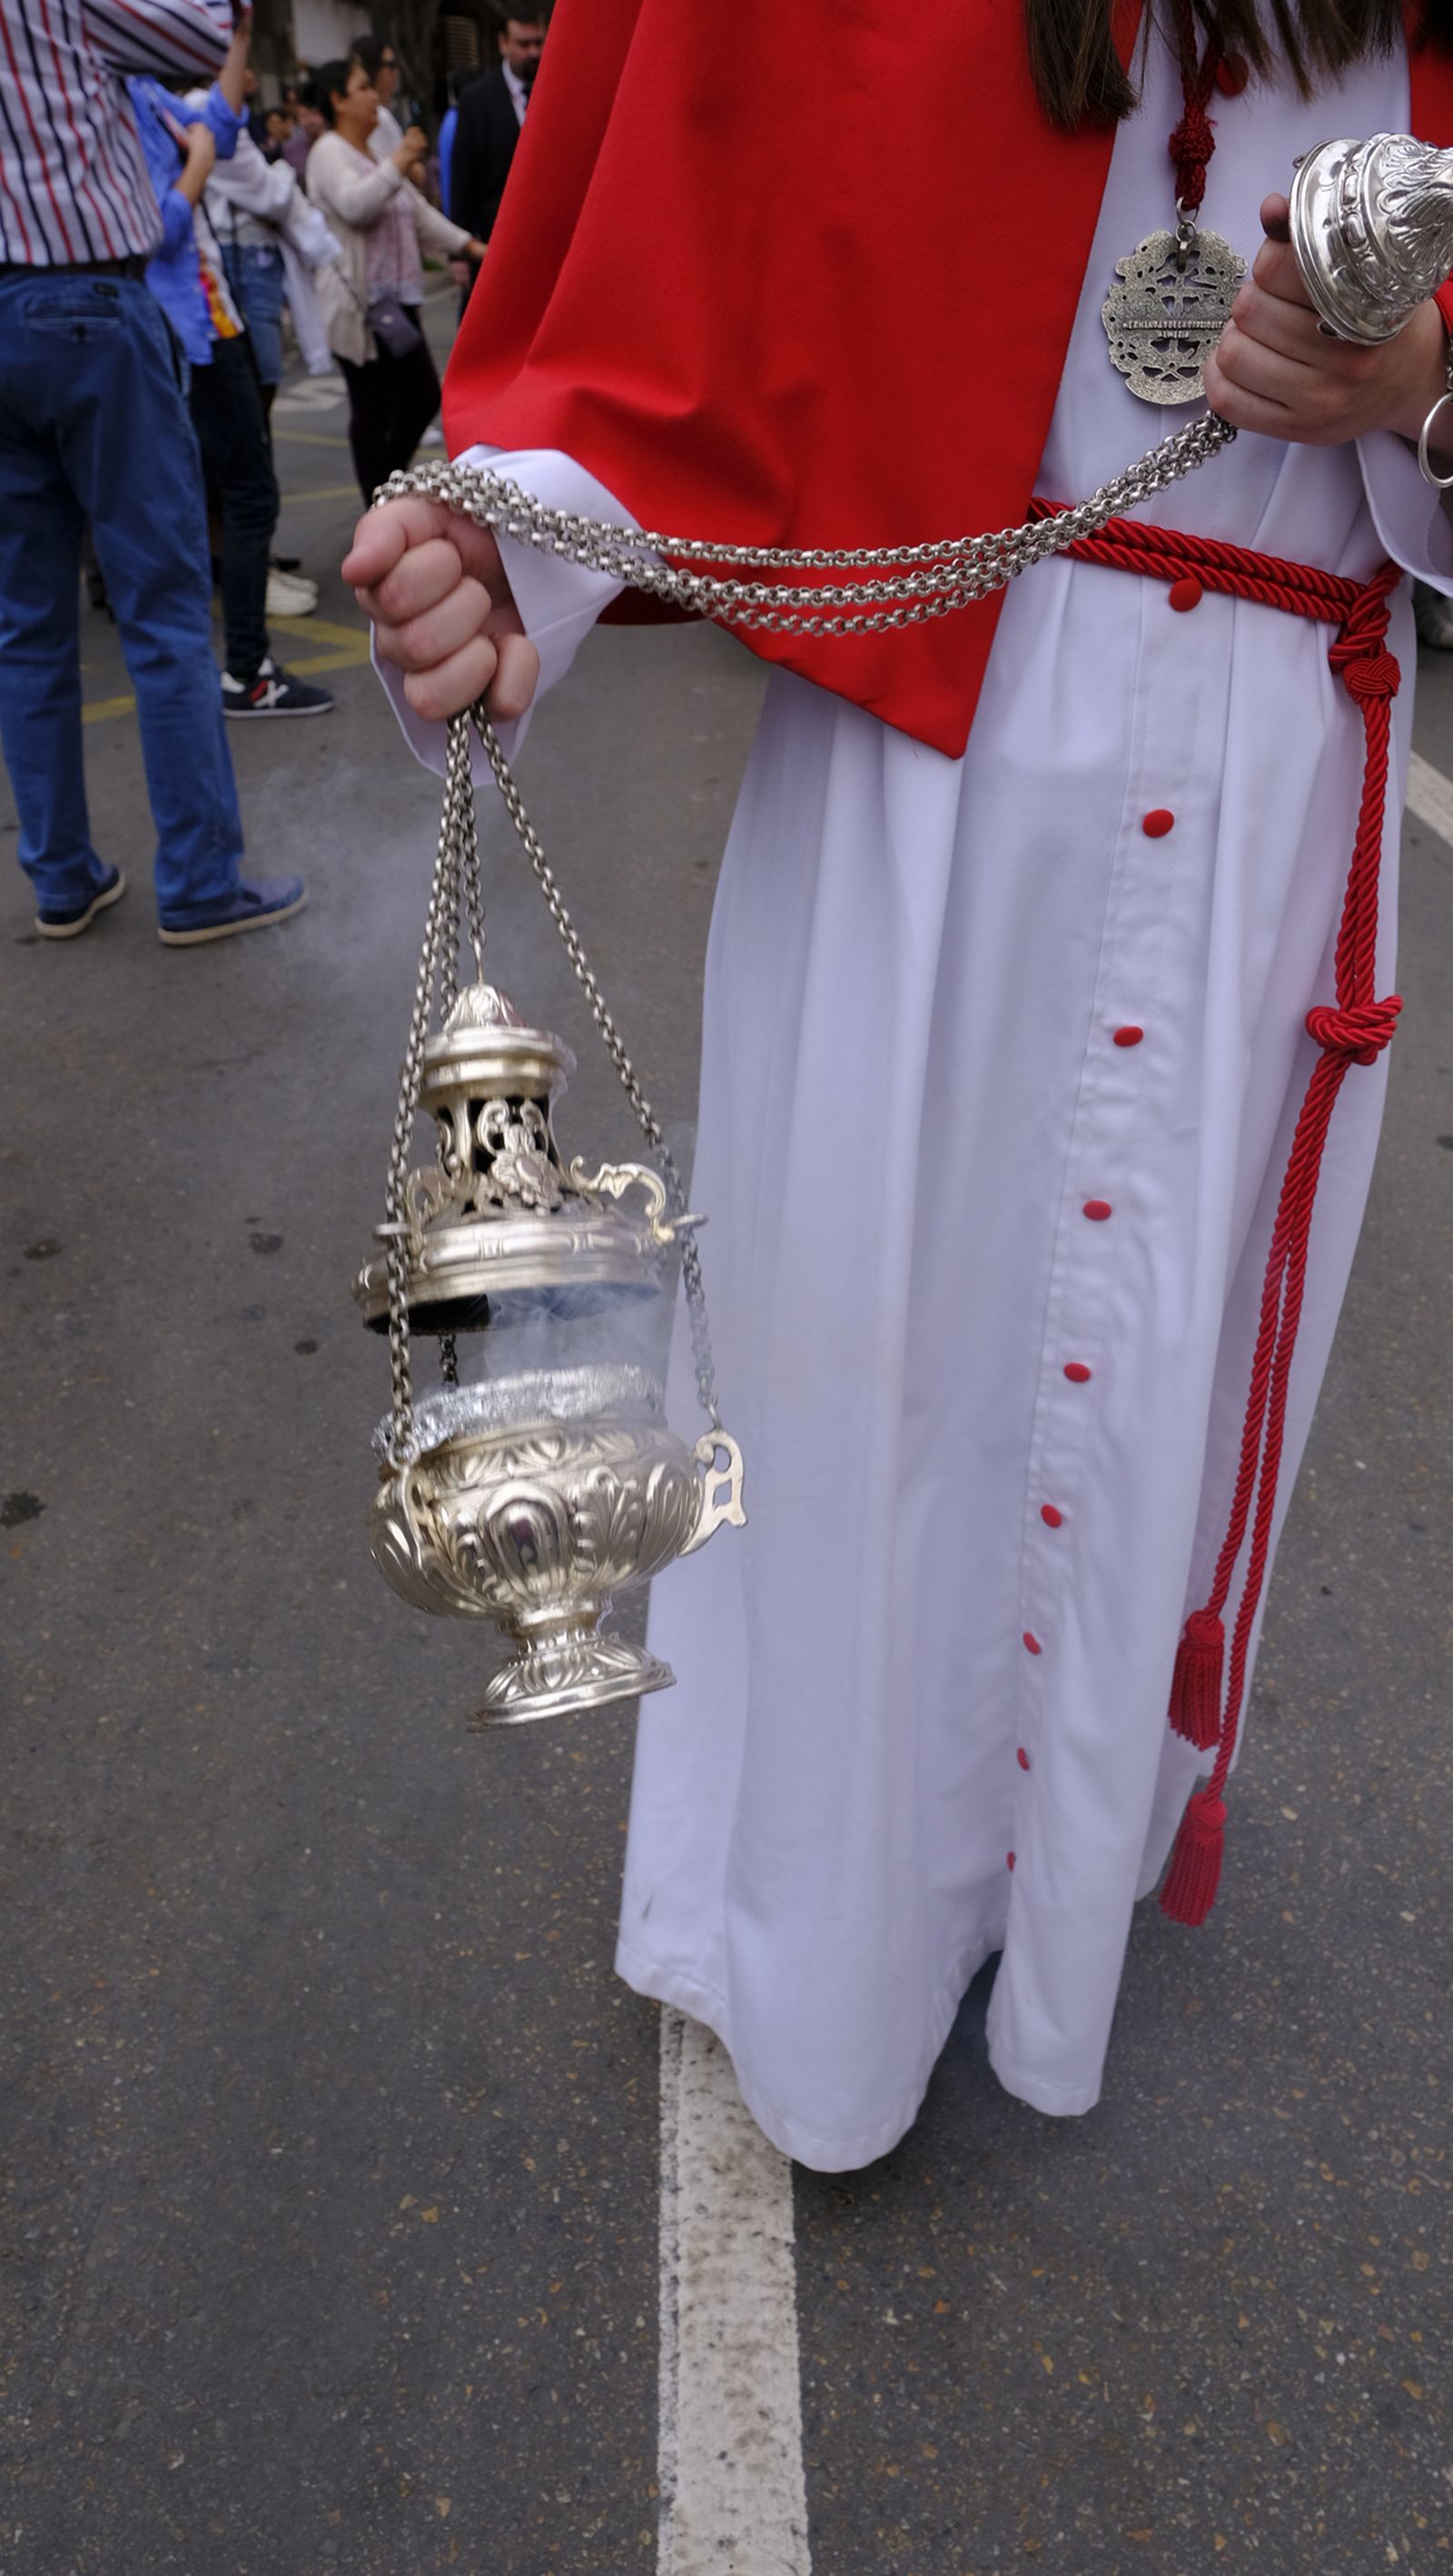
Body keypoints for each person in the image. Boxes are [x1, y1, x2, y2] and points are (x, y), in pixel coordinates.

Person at [345, 0, 1453, 2172]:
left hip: (1266, 785)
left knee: (1154, 1365)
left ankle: (1048, 1889)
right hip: (931, 757)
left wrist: (1422, 393)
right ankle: (823, 1969)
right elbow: (698, 257)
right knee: (856, 1391)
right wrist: (509, 557)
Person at [0, 0, 303, 944]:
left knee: (25, 624)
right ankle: (202, 881)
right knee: (164, 604)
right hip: (88, 296)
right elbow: (202, 38)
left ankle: (62, 876)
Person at [129, 69, 335, 705]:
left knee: (210, 491)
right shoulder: (127, 98)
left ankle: (233, 666)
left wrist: (240, 34)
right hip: (194, 322)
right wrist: (196, 164)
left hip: (192, 319)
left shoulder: (132, 92)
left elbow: (219, 123)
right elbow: (167, 222)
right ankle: (246, 671)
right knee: (246, 492)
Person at [306, 56, 484, 501]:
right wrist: (399, 161)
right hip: (360, 308)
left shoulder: (371, 155)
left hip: (397, 303)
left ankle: (385, 491)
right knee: (374, 408)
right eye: (362, 87)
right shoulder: (329, 152)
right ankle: (379, 499)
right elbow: (354, 205)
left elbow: (419, 216)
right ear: (338, 101)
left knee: (419, 398)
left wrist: (470, 245)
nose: (373, 97)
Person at [448, 7, 543, 268]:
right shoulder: (477, 100)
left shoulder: (556, 93)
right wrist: (458, 252)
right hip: (499, 243)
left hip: (550, 240)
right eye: (524, 44)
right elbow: (464, 178)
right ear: (503, 43)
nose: (533, 53)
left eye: (539, 43)